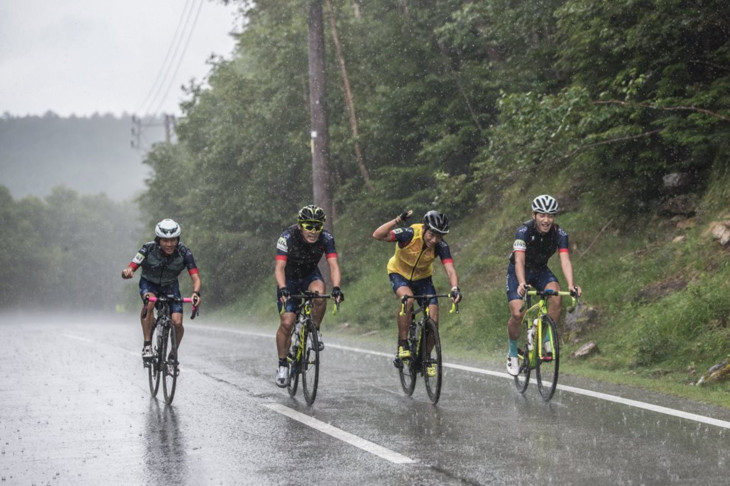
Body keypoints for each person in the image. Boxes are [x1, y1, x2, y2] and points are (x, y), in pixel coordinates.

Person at [372, 209, 462, 376]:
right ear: (425, 228)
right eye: (432, 235)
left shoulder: (441, 246)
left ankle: (426, 357)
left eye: (439, 236)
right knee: (408, 300)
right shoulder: (409, 234)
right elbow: (377, 235)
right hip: (399, 274)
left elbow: (450, 270)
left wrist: (455, 288)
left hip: (423, 280)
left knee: (434, 319)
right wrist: (398, 219)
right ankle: (403, 343)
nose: (434, 240)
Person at [505, 195, 582, 376]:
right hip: (519, 271)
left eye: (550, 216)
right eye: (542, 215)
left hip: (540, 271)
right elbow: (519, 260)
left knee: (556, 296)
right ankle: (512, 352)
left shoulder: (560, 235)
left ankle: (546, 338)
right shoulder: (523, 231)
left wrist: (571, 285)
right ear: (534, 215)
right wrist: (522, 282)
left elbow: (565, 260)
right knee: (517, 314)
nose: (546, 220)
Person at [274, 204, 344, 387]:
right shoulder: (286, 237)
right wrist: (282, 288)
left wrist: (336, 287)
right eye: (308, 226)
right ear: (300, 225)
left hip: (309, 276)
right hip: (288, 279)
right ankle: (282, 364)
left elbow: (334, 265)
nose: (313, 231)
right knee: (287, 322)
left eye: (317, 226)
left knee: (320, 295)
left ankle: (315, 330)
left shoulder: (327, 238)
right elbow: (279, 267)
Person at [121, 218, 201, 366]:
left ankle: (172, 356)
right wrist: (128, 271)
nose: (170, 244)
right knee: (149, 303)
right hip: (149, 284)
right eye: (165, 240)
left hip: (170, 286)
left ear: (178, 239)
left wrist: (196, 293)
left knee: (177, 323)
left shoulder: (184, 252)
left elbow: (195, 277)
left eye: (173, 240)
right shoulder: (148, 249)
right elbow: (132, 266)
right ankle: (147, 345)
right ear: (159, 240)